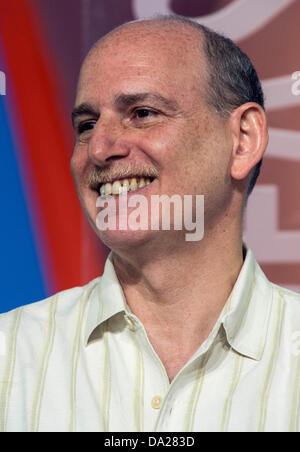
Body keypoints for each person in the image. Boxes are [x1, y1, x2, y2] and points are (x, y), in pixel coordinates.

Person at [1, 15, 300, 433]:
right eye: (86, 126)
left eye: (142, 113)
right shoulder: (9, 358)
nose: (100, 148)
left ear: (243, 139)